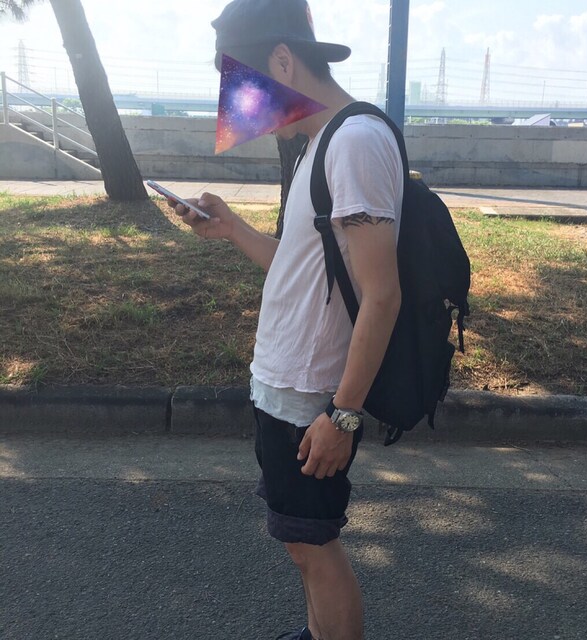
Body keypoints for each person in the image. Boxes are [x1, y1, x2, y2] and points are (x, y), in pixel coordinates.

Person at [174, 1, 403, 638]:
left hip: (312, 398)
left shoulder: (354, 142)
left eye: (244, 90)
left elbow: (382, 296)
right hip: (283, 387)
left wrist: (343, 415)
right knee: (301, 545)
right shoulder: (320, 145)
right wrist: (231, 229)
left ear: (282, 62)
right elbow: (304, 265)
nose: (244, 113)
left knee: (314, 547)